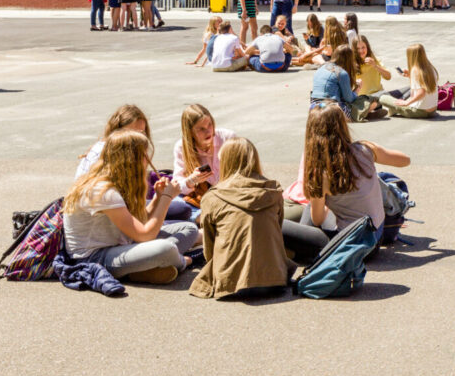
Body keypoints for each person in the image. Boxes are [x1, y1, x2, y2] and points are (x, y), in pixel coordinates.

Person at [64, 130, 201, 284]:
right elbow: (144, 235)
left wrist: (158, 197)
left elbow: (140, 223)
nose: (148, 161)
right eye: (144, 155)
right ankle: (179, 262)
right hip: (95, 257)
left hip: (123, 242)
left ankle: (143, 268)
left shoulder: (116, 182)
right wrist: (167, 198)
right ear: (130, 159)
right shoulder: (103, 191)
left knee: (189, 229)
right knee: (166, 248)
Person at [281, 104, 409, 262]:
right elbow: (405, 160)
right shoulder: (365, 149)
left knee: (278, 224)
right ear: (343, 125)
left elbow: (318, 220)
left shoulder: (321, 171)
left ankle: (301, 253)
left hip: (348, 247)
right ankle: (301, 250)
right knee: (311, 210)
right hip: (375, 240)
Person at [189, 136, 289, 299]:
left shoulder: (213, 197)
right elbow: (277, 228)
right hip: (274, 281)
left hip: (231, 284)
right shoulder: (273, 191)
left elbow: (209, 244)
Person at [171, 103, 233, 205]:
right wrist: (191, 180)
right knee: (176, 205)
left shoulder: (227, 138)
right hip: (203, 198)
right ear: (190, 132)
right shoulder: (181, 147)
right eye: (201, 129)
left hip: (229, 193)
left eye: (210, 124)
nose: (208, 131)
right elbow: (177, 186)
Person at [380, 42, 442, 118]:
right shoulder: (430, 68)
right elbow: (423, 85)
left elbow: (421, 92)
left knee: (383, 98)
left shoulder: (415, 70)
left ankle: (396, 109)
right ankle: (395, 109)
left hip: (420, 111)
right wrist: (411, 77)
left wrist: (407, 102)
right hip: (432, 110)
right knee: (400, 99)